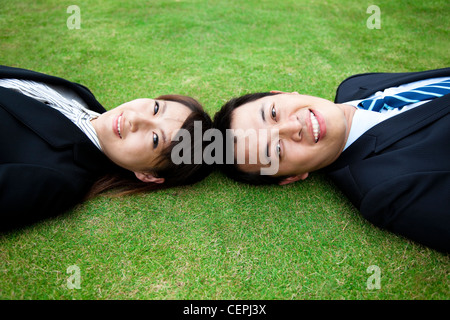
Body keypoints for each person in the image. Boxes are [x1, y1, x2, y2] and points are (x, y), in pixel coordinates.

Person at [213, 67, 450, 253]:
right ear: (292, 177)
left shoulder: (356, 84)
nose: (294, 126)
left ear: (283, 94)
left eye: (273, 113)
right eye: (276, 148)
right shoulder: (386, 188)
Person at [0, 65, 213, 230]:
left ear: (148, 175)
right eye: (156, 108)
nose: (135, 118)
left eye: (155, 139)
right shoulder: (81, 95)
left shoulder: (59, 178)